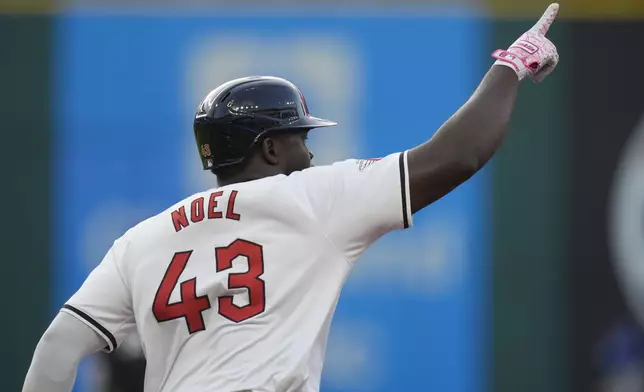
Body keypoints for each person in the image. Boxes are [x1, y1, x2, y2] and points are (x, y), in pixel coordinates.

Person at [22, 4, 560, 392]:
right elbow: (458, 154)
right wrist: (510, 66)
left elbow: (58, 348)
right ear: (271, 148)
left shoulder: (140, 241)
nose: (309, 152)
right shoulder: (312, 198)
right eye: (301, 138)